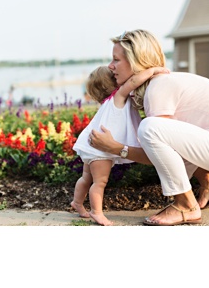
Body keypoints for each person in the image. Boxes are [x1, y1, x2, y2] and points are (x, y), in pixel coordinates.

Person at [89, 29, 209, 226]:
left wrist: (116, 148)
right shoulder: (159, 83)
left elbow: (155, 153)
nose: (111, 66)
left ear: (135, 61)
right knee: (156, 131)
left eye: (116, 60)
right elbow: (174, 146)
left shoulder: (157, 88)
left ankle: (185, 205)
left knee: (149, 128)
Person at [71, 63, 167, 225]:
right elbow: (133, 82)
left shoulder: (108, 103)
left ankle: (77, 203)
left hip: (90, 146)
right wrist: (152, 71)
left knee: (86, 177)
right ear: (114, 83)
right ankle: (97, 212)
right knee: (99, 182)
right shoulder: (118, 97)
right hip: (100, 150)